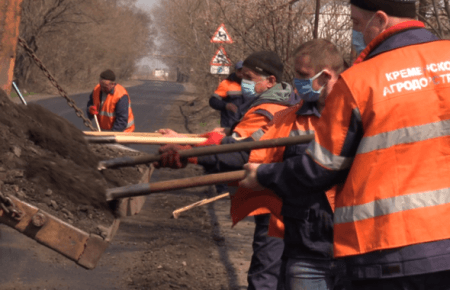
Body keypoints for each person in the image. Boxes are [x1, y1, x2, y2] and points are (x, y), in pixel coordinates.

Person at [240, 0, 450, 289]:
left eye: (354, 23)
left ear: (379, 20)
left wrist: (263, 176)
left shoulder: (360, 80)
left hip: (388, 249)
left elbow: (319, 168)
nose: (356, 33)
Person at [156, 51, 299, 290]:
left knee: (265, 276)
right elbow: (229, 136)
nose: (245, 83)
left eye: (250, 77)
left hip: (275, 204)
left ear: (271, 81)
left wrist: (189, 155)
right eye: (243, 77)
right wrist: (186, 139)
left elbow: (239, 152)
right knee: (279, 273)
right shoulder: (281, 100)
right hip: (280, 199)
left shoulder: (270, 110)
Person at [231, 39, 347, 290]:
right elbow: (248, 152)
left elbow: (317, 170)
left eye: (303, 75)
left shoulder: (355, 114)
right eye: (295, 74)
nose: (296, 81)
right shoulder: (288, 117)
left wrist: (266, 174)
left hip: (353, 248)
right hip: (304, 246)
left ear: (326, 76)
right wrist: (194, 153)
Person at [209, 60, 255, 130]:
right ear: (235, 71)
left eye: (244, 71)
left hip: (247, 125)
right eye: (239, 71)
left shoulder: (254, 84)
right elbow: (213, 101)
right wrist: (226, 105)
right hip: (229, 126)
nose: (241, 74)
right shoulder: (226, 83)